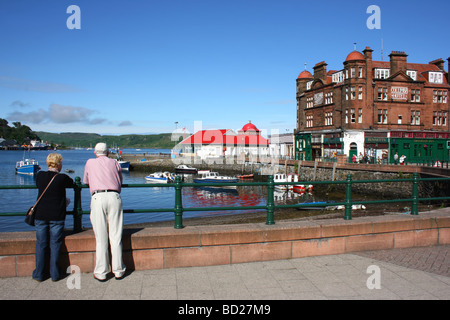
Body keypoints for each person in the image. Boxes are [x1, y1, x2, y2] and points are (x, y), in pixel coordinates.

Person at [83, 142, 126, 281]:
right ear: (107, 152)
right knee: (116, 235)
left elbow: (86, 181)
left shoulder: (89, 162)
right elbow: (120, 180)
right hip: (114, 196)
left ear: (95, 153)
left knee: (101, 238)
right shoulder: (114, 162)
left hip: (98, 197)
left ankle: (101, 272)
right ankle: (118, 270)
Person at [33, 153, 74, 282]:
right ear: (59, 164)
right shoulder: (62, 178)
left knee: (41, 244)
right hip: (56, 215)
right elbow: (72, 183)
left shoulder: (40, 176)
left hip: (40, 214)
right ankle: (55, 274)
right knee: (55, 244)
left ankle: (39, 274)